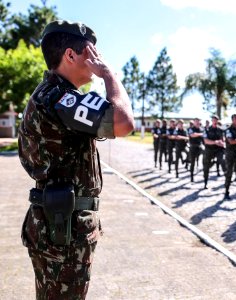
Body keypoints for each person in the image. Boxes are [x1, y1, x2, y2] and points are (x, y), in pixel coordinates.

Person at [18, 20, 134, 299]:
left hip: (59, 223)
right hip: (63, 229)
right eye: (92, 53)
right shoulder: (60, 98)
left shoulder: (53, 95)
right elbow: (123, 122)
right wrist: (108, 75)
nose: (98, 60)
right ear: (70, 55)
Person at [202, 115, 227, 189]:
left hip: (218, 149)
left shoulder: (220, 130)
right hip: (209, 150)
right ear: (211, 121)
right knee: (206, 166)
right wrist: (215, 142)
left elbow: (223, 140)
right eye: (213, 120)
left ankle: (227, 181)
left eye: (216, 120)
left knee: (223, 161)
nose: (214, 121)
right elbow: (206, 141)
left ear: (217, 121)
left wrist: (222, 143)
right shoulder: (207, 129)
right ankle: (205, 182)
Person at [188, 118, 203, 182]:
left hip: (199, 147)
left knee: (206, 156)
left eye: (198, 121)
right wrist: (200, 134)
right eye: (196, 121)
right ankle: (191, 176)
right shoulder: (191, 129)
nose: (197, 122)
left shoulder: (201, 129)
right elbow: (192, 135)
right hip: (193, 147)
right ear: (194, 122)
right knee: (192, 162)